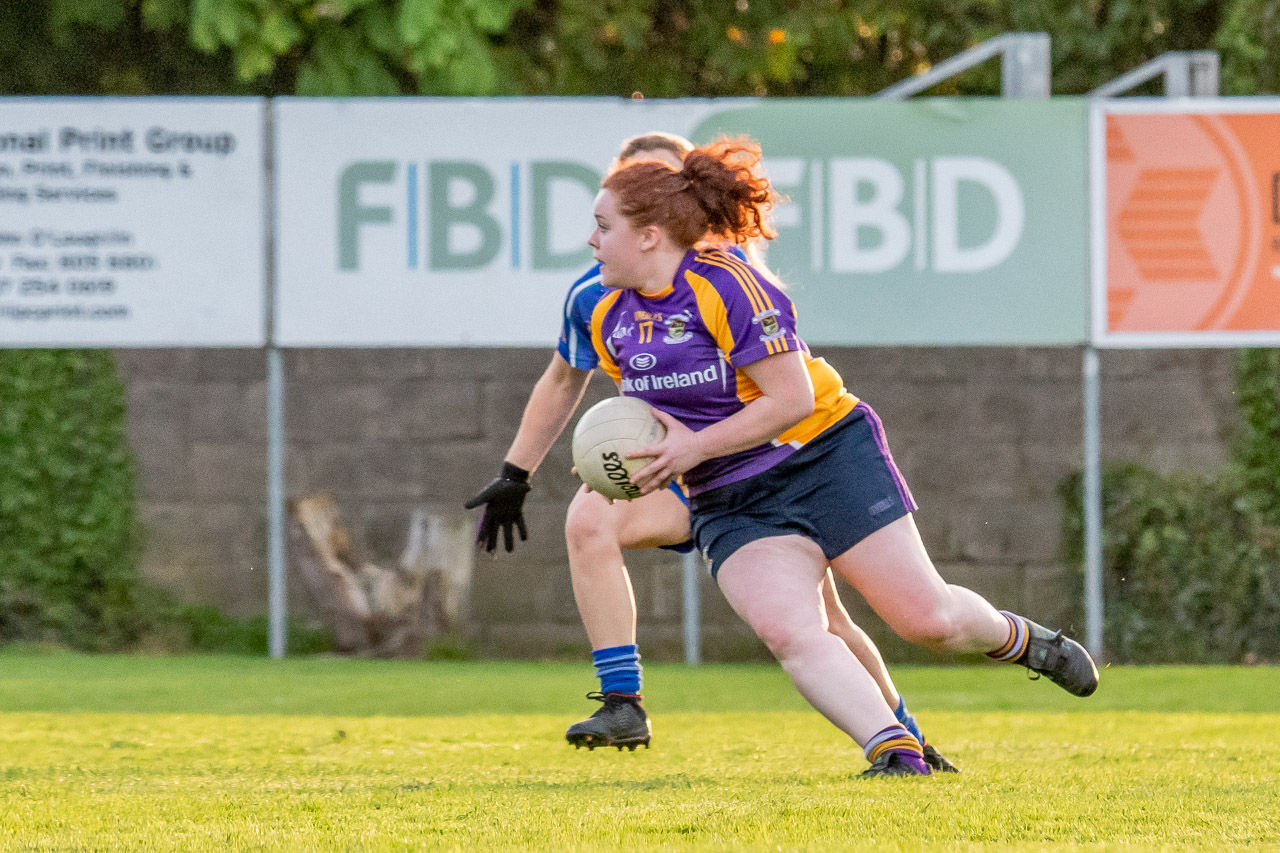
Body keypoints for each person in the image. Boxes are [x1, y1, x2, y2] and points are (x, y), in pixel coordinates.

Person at [582, 136, 1099, 777]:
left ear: (651, 235)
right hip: (729, 496)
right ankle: (894, 751)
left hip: (823, 455)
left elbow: (792, 398)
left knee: (925, 620)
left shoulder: (730, 286)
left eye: (603, 227)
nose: (592, 241)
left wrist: (691, 446)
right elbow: (651, 414)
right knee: (789, 631)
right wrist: (631, 462)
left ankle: (1024, 642)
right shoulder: (605, 315)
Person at [465, 132, 956, 774]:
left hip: (761, 460)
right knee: (589, 519)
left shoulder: (726, 273)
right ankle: (622, 700)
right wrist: (515, 473)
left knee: (826, 620)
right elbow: (562, 378)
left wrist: (709, 439)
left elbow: (786, 389)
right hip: (681, 464)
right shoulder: (597, 294)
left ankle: (905, 735)